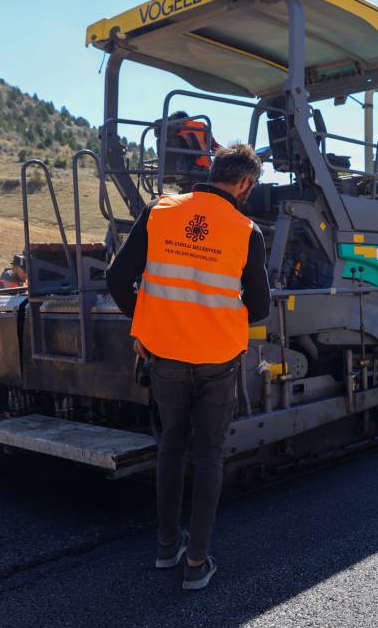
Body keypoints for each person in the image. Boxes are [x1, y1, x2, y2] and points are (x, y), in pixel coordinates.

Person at [106, 145, 270, 590]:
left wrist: (144, 327)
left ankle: (165, 548)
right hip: (217, 360)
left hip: (164, 356)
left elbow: (117, 279)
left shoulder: (160, 211)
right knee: (209, 454)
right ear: (244, 184)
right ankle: (196, 563)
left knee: (172, 446)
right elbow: (259, 307)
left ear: (212, 172)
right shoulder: (246, 229)